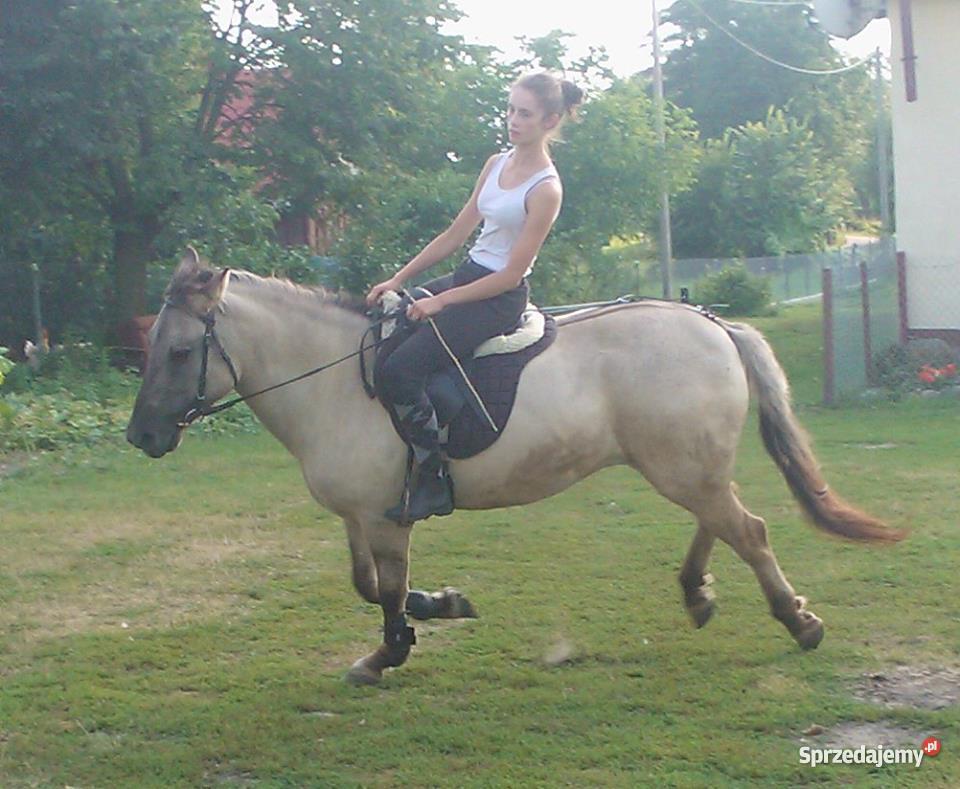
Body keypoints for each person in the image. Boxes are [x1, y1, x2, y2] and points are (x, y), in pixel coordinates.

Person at [366, 72, 583, 523]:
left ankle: (433, 483)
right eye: (510, 109)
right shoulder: (495, 164)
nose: (512, 120)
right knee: (387, 329)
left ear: (551, 120)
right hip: (468, 275)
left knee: (400, 369)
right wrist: (398, 280)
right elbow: (455, 234)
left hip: (498, 298)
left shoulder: (546, 189)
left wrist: (442, 302)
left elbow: (510, 274)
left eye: (524, 113)